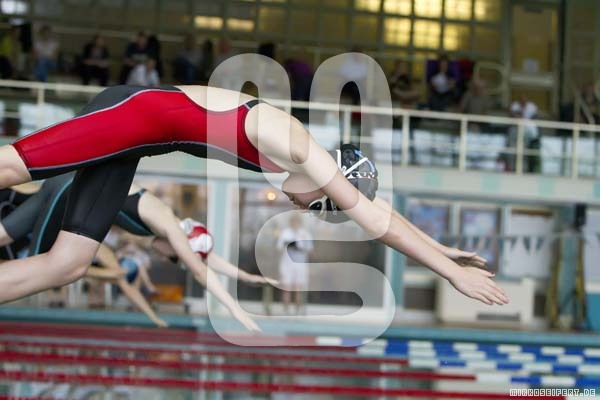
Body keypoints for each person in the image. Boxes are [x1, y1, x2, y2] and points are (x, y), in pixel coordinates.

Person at [0, 84, 508, 326]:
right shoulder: (298, 148)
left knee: (69, 263)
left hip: (137, 142)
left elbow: (383, 212)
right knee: (10, 168)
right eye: (320, 208)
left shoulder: (305, 161)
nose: (304, 209)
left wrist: (445, 250)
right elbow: (375, 220)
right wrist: (450, 274)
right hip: (131, 116)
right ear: (328, 186)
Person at [0, 174, 276, 329]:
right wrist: (235, 309)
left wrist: (245, 277)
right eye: (174, 257)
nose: (165, 258)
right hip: (71, 189)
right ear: (181, 245)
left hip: (67, 182)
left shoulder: (172, 227)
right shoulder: (169, 225)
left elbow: (206, 261)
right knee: (40, 270)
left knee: (4, 235)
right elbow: (200, 271)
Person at [277, 214, 313, 314]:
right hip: (287, 264)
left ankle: (297, 311)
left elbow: (310, 250)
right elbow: (279, 248)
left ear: (300, 222)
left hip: (300, 265)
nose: (295, 223)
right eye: (293, 221)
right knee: (286, 288)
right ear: (291, 222)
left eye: (297, 221)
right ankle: (285, 311)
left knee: (298, 288)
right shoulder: (285, 233)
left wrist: (300, 247)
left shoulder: (305, 234)